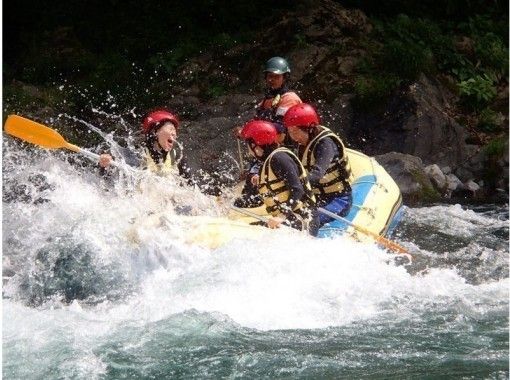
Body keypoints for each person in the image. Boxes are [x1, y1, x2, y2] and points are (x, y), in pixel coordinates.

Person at [234, 56, 303, 199]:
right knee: (249, 188)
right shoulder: (266, 101)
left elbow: (280, 127)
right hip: (266, 151)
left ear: (285, 78)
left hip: (284, 151)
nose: (271, 80)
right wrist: (244, 130)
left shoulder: (289, 98)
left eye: (276, 77)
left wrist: (248, 131)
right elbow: (257, 122)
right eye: (269, 76)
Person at [238, 119, 320, 235]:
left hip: (304, 220)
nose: (248, 150)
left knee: (249, 233)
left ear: (255, 145)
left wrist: (281, 216)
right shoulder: (270, 160)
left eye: (248, 145)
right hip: (293, 219)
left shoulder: (279, 158)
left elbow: (297, 190)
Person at [283, 103, 353, 227]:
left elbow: (317, 174)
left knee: (304, 221)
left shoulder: (325, 144)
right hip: (316, 197)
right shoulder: (302, 141)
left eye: (295, 132)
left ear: (309, 128)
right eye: (290, 132)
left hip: (338, 200)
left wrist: (294, 183)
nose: (293, 137)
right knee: (287, 217)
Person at [98, 108, 192, 179]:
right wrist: (105, 166)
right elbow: (110, 179)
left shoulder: (178, 158)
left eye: (175, 131)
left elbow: (191, 188)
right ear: (155, 132)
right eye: (171, 129)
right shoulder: (137, 153)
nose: (174, 133)